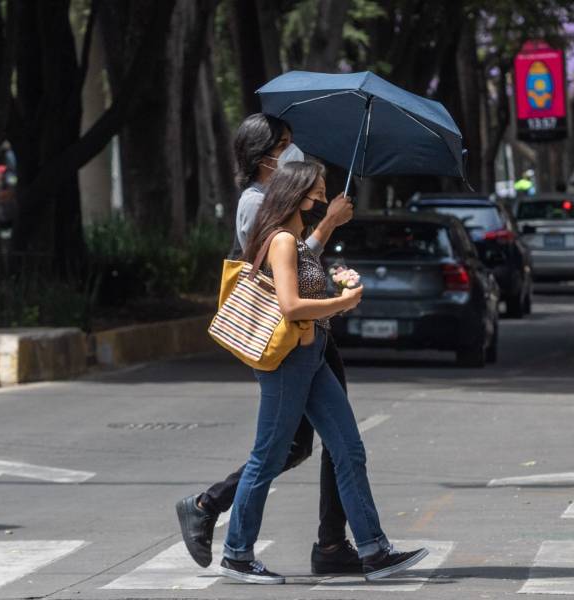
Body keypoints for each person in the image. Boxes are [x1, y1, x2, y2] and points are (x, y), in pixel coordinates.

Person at [217, 162, 428, 584]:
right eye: (317, 193)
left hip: (311, 360)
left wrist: (338, 283)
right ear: (297, 194)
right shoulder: (279, 240)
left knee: (348, 448)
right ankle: (237, 553)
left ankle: (373, 550)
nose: (321, 200)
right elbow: (292, 306)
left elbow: (306, 285)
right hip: (288, 362)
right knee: (268, 455)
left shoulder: (295, 240)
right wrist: (341, 304)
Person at [176, 113, 361, 576]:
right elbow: (282, 267)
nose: (292, 153)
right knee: (292, 448)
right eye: (284, 145)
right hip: (289, 338)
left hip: (312, 334)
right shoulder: (253, 202)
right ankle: (211, 510)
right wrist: (329, 224)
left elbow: (300, 263)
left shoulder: (274, 198)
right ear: (262, 156)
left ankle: (333, 543)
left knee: (336, 444)